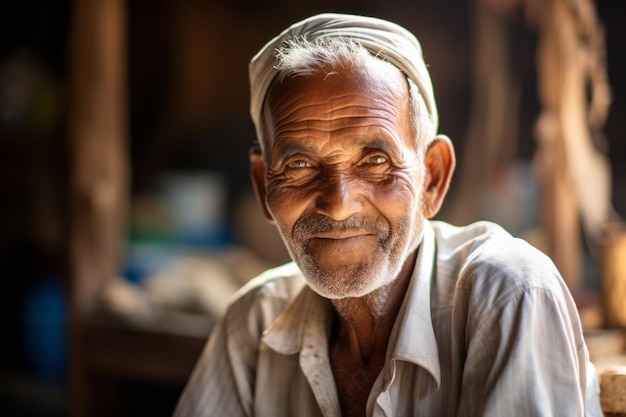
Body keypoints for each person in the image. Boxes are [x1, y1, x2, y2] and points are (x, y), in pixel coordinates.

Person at [174, 13, 602, 417]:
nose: (339, 203)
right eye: (300, 166)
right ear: (263, 186)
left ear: (432, 178)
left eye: (375, 161)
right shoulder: (253, 324)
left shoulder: (507, 294)